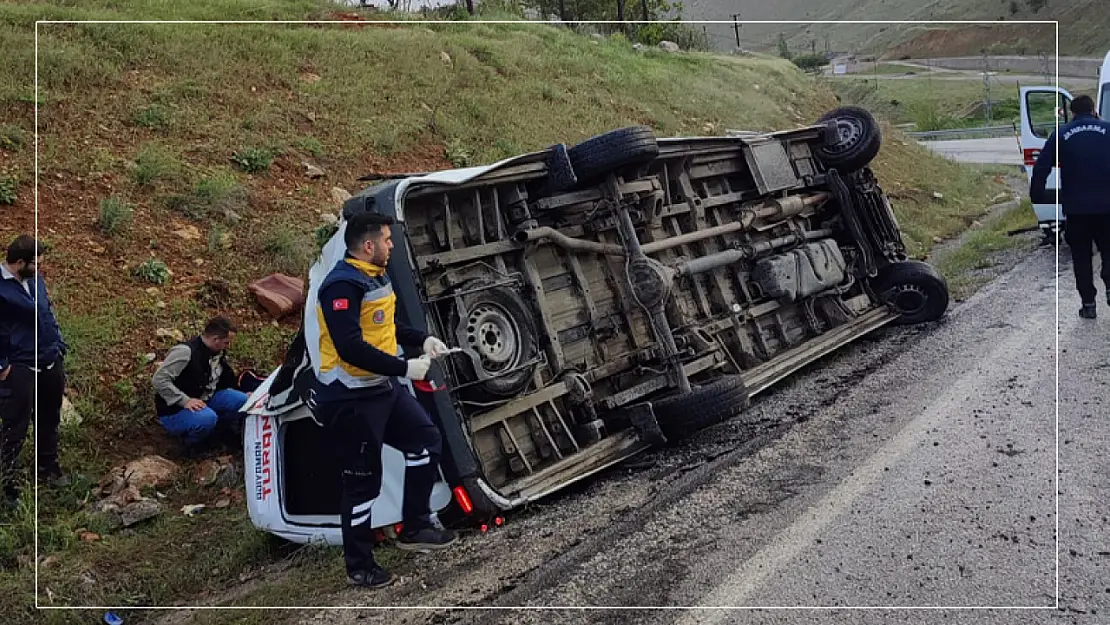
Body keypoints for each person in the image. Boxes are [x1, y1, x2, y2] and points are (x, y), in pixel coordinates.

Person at [313, 210, 457, 589]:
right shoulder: (340, 286)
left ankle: (416, 527)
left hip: (380, 388)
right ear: (368, 244)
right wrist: (404, 368)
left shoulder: (376, 275)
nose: (392, 245)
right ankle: (359, 567)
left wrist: (420, 339)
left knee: (425, 441)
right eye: (387, 240)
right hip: (349, 398)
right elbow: (349, 347)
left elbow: (383, 325)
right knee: (363, 483)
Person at [0, 235, 69, 502]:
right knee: (14, 426)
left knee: (49, 417)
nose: (41, 267)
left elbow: (47, 312)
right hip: (19, 366)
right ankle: (8, 485)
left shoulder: (35, 280)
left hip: (49, 359)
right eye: (36, 263)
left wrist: (58, 343)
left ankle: (47, 467)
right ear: (19, 263)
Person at [1030, 94, 1110, 319]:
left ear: (1072, 113)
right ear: (1094, 110)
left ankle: (1089, 304)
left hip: (1077, 210)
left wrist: (1036, 194)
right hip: (1107, 208)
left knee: (1081, 257)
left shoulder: (1061, 134)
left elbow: (1041, 166)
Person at [152, 316, 248, 451]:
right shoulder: (185, 352)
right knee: (207, 418)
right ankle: (190, 445)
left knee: (242, 400)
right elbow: (159, 379)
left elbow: (224, 379)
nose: (229, 346)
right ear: (215, 340)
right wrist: (184, 401)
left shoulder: (217, 353)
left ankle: (219, 433)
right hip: (175, 411)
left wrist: (243, 391)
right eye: (227, 342)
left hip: (205, 399)